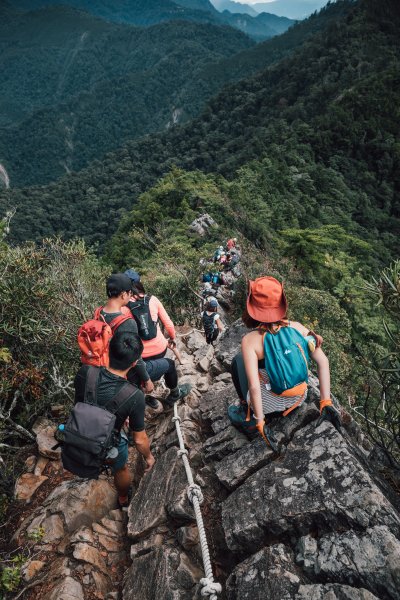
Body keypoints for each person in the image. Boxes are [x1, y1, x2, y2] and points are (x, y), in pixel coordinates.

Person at [231, 276, 341, 448]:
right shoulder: (297, 328)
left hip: (267, 406)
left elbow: (253, 386)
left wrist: (260, 421)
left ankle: (247, 416)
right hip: (298, 398)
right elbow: (323, 362)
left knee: (237, 362)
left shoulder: (250, 340)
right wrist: (325, 401)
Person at [74, 331, 155, 507]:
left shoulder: (84, 372)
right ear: (134, 363)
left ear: (108, 350)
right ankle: (123, 498)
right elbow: (139, 440)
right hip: (110, 442)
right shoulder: (134, 395)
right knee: (121, 469)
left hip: (80, 430)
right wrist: (149, 457)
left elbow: (81, 402)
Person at [124, 270, 191, 408]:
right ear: (140, 282)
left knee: (140, 370)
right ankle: (174, 393)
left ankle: (146, 395)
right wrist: (172, 338)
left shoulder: (123, 308)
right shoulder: (152, 300)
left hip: (140, 356)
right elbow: (169, 324)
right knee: (169, 365)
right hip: (160, 348)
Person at [95, 273, 154, 401]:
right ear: (123, 294)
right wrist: (147, 379)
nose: (131, 296)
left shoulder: (98, 312)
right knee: (167, 365)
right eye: (129, 293)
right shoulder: (127, 322)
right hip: (122, 375)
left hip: (101, 367)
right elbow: (136, 358)